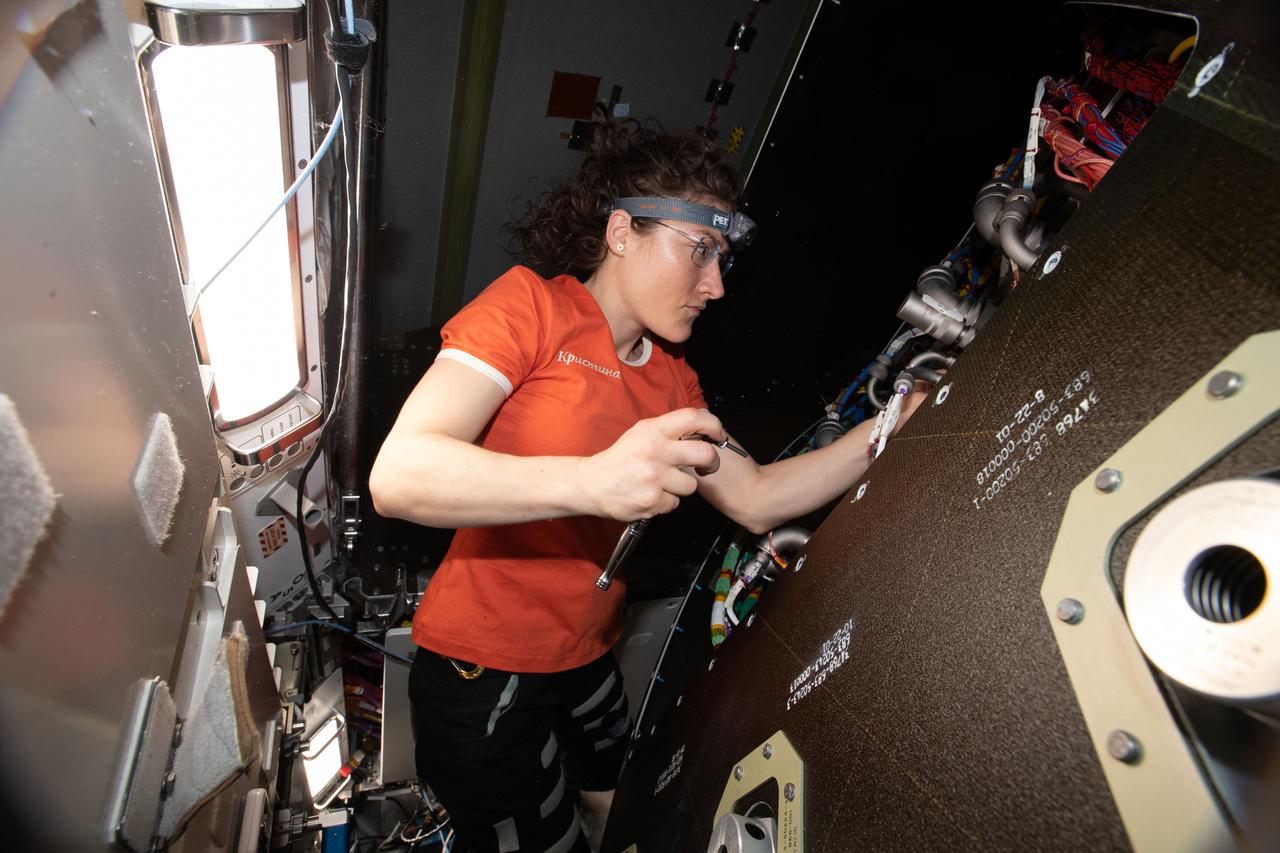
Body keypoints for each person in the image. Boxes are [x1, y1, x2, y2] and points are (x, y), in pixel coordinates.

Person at [369, 120, 924, 852]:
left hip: (587, 654)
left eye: (722, 260)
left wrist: (892, 427)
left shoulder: (673, 380)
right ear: (624, 231)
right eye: (700, 251)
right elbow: (401, 473)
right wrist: (594, 480)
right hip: (482, 669)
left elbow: (756, 496)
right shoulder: (532, 308)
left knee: (623, 801)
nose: (717, 286)